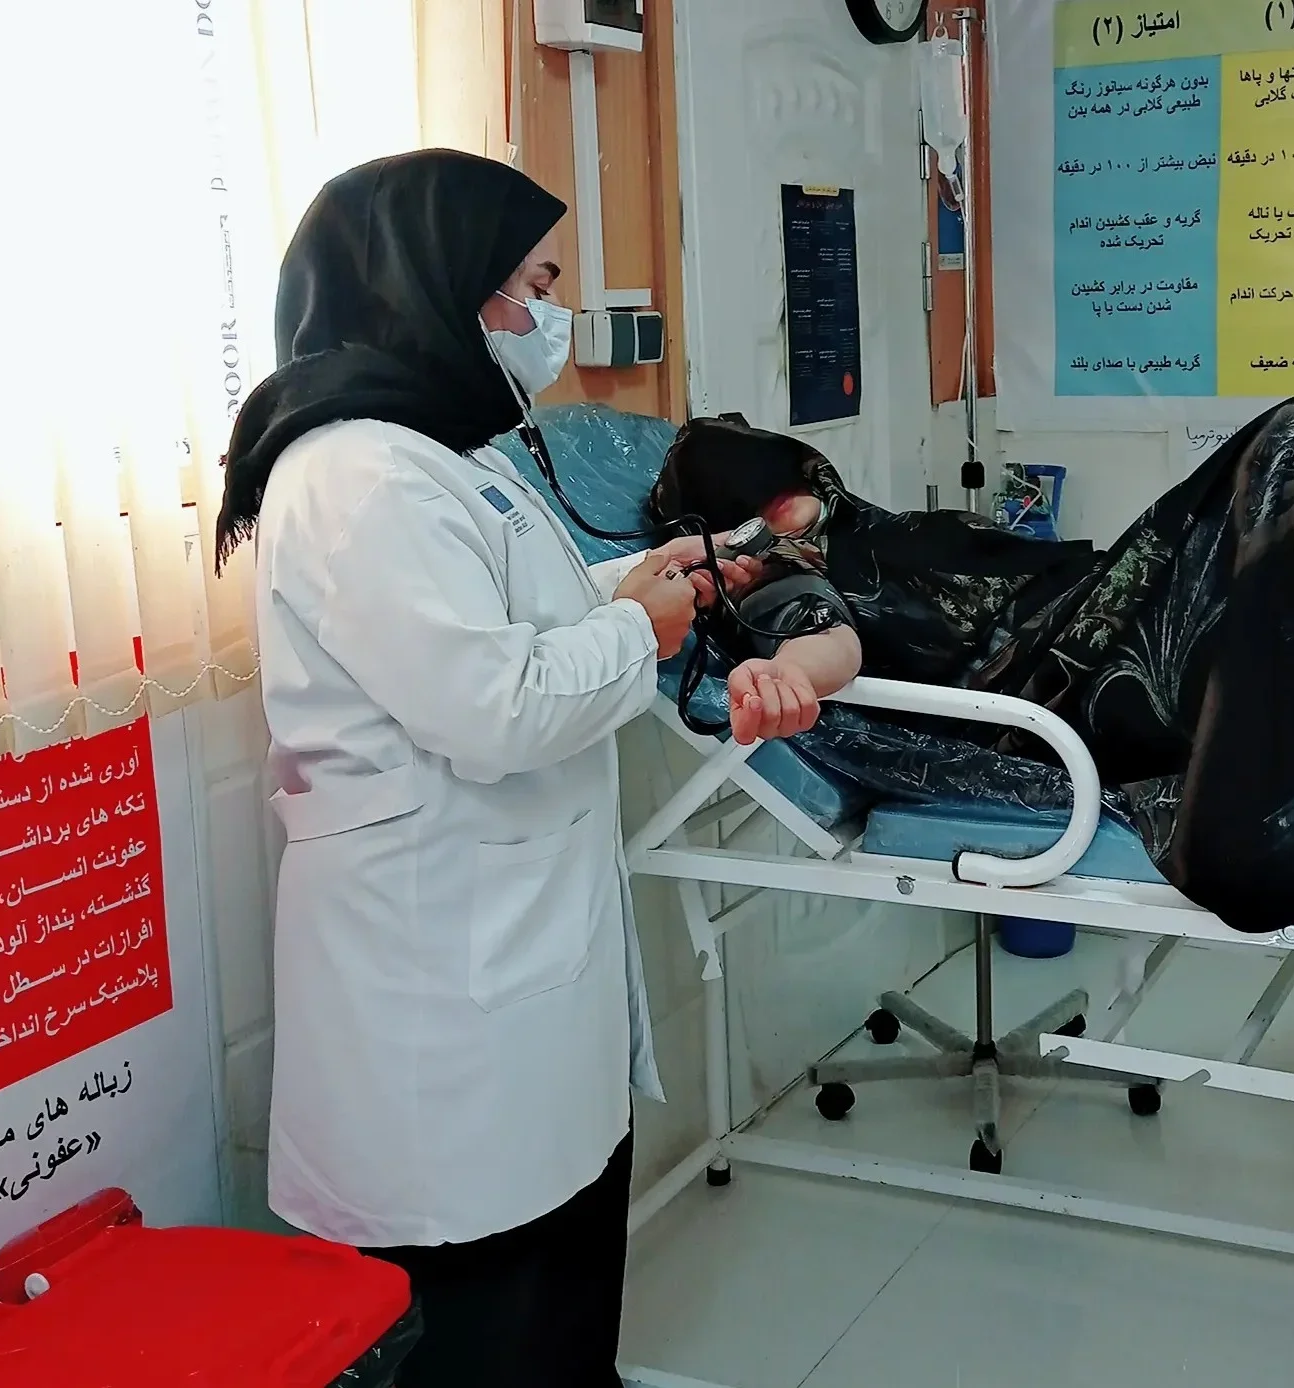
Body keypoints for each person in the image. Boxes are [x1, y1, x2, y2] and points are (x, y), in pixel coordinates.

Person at [213, 150, 800, 1388]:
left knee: (559, 1279)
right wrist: (640, 627)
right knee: (486, 1310)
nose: (553, 315)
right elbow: (491, 705)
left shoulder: (444, 454)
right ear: (445, 285)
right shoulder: (357, 475)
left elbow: (508, 622)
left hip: (508, 942)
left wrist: (638, 588)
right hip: (437, 973)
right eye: (534, 283)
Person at [650, 387, 1294, 1011]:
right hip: (1074, 673)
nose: (808, 499)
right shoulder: (772, 575)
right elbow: (830, 641)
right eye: (783, 496)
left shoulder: (864, 524)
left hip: (1103, 612)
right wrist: (789, 675)